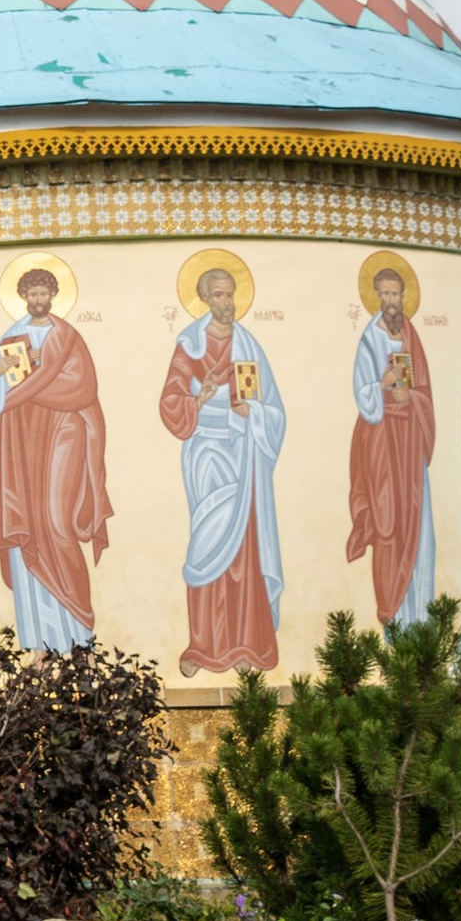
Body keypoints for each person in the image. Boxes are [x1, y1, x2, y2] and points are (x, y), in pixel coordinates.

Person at [0, 264, 110, 648]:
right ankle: (39, 643)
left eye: (42, 293)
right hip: (23, 443)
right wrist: (1, 372)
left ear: (52, 296)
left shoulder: (67, 337)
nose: (37, 300)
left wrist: (33, 382)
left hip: (64, 433)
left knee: (56, 523)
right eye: (30, 294)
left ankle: (79, 631)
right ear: (23, 297)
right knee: (27, 529)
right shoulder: (11, 337)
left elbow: (83, 386)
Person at [160, 263, 285, 677]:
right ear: (205, 299)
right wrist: (199, 399)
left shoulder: (251, 348)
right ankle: (203, 645)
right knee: (206, 542)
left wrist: (253, 412)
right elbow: (170, 402)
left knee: (244, 549)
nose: (226, 302)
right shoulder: (189, 345)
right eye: (218, 295)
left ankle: (248, 642)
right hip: (204, 452)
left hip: (242, 452)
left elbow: (275, 411)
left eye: (230, 294)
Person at [347, 263, 435, 631]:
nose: (390, 301)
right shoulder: (369, 339)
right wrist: (384, 384)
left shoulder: (412, 337)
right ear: (376, 297)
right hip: (382, 447)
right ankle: (393, 617)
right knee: (387, 524)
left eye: (395, 294)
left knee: (419, 525)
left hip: (410, 445)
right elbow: (363, 396)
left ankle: (424, 619)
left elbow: (425, 391)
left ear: (404, 296)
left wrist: (410, 396)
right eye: (383, 294)